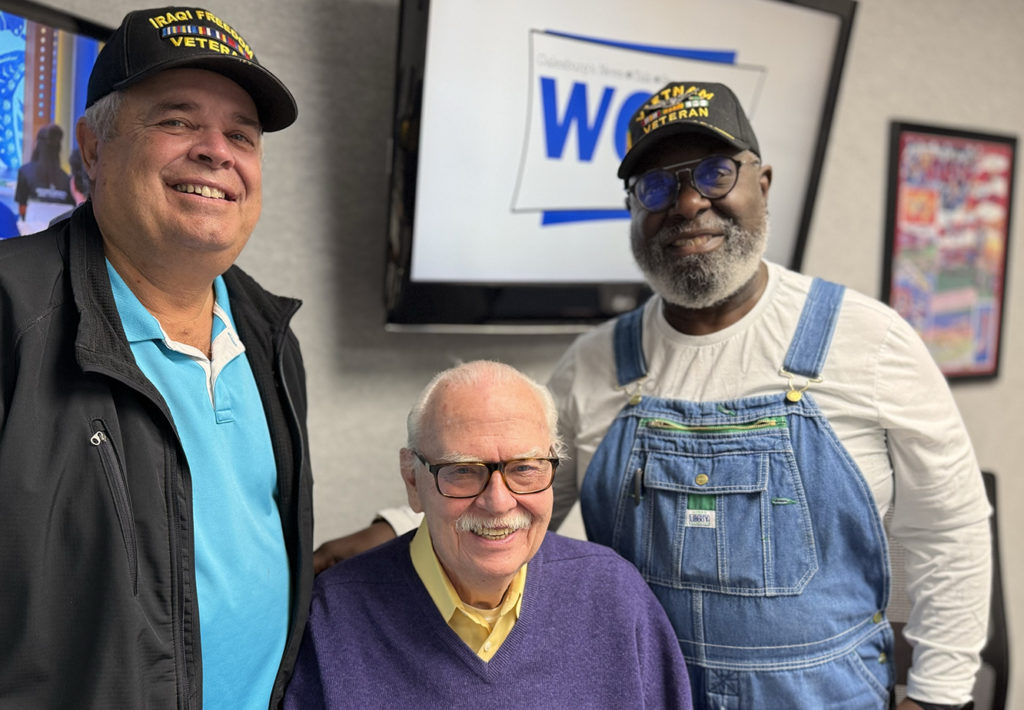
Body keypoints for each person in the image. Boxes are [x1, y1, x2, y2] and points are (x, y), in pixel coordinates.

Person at [544, 81, 992, 710]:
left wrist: (940, 697)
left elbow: (949, 531)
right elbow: (511, 501)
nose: (688, 202)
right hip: (642, 692)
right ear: (632, 207)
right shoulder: (590, 366)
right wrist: (400, 531)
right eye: (656, 185)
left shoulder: (871, 341)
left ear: (764, 182)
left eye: (714, 172)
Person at [0, 7, 312, 709]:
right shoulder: (10, 315)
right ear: (94, 147)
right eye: (177, 121)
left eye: (242, 134)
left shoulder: (268, 333)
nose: (216, 151)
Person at [286, 360, 692, 709]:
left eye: (525, 468)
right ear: (413, 481)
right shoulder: (330, 617)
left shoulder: (616, 596)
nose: (498, 503)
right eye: (463, 471)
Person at [13, 123, 75, 220]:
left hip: (32, 232)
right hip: (58, 233)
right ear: (58, 148)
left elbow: (22, 209)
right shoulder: (67, 179)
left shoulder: (25, 172)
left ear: (37, 145)